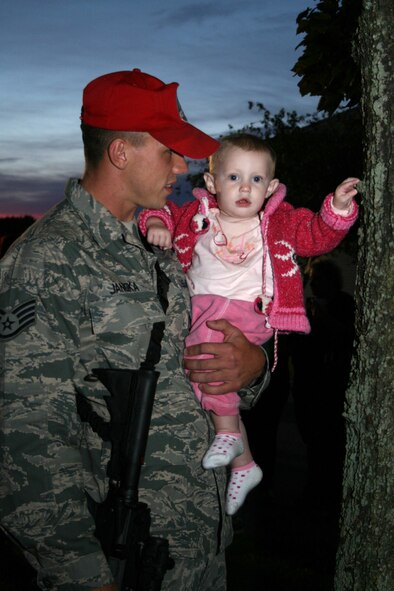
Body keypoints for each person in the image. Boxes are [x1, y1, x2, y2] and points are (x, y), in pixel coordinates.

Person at [0, 70, 270, 591]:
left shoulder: (163, 247)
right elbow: (23, 441)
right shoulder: (45, 262)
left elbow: (211, 358)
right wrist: (83, 575)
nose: (182, 166)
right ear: (120, 152)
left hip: (197, 552)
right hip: (120, 562)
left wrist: (253, 367)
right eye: (169, 152)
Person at [138, 133, 360, 516]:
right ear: (211, 183)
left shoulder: (279, 221)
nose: (245, 187)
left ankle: (226, 434)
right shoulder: (197, 217)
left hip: (251, 313)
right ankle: (244, 464)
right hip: (205, 310)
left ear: (271, 187)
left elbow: (316, 236)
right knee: (203, 370)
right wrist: (158, 222)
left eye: (256, 180)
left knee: (209, 348)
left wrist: (337, 209)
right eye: (234, 178)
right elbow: (161, 214)